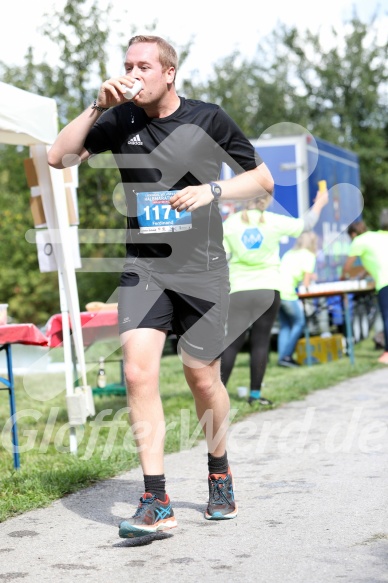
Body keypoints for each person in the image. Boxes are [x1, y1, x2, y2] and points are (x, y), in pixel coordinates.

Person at [48, 35, 275, 538]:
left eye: (144, 65)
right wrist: (96, 106)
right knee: (137, 373)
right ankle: (155, 497)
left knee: (201, 378)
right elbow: (57, 158)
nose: (133, 73)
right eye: (128, 64)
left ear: (169, 73)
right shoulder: (118, 119)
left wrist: (210, 190)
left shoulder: (208, 118)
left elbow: (263, 181)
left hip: (203, 268)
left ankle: (219, 472)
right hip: (144, 268)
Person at [220, 188, 328, 406]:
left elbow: (221, 257)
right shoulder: (273, 221)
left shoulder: (230, 224)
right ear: (266, 201)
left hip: (239, 289)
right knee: (260, 342)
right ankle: (255, 396)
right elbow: (304, 225)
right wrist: (319, 203)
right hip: (268, 288)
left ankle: (216, 397)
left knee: (231, 343)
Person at [341, 212, 388, 365]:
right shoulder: (378, 235)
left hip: (385, 282)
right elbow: (380, 258)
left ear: (353, 234)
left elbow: (347, 266)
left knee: (387, 317)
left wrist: (343, 278)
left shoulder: (358, 241)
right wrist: (364, 272)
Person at [277, 231, 318, 367]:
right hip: (288, 293)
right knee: (299, 323)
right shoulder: (309, 256)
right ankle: (286, 356)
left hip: (276, 291)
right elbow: (306, 284)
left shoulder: (289, 253)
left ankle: (282, 357)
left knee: (285, 326)